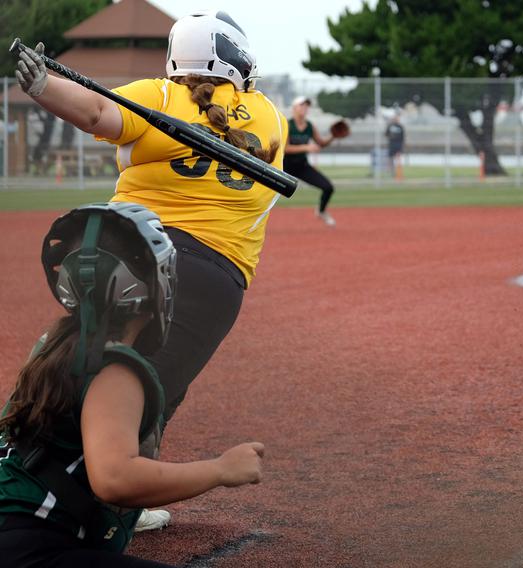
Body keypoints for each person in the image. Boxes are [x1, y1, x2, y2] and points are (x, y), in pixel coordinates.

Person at [13, 9, 285, 528]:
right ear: (238, 58)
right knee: (153, 389)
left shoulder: (160, 96)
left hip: (132, 251)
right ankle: (107, 495)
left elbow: (95, 113)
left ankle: (61, 481)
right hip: (216, 274)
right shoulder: (269, 113)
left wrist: (44, 84)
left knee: (84, 362)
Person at [0, 203, 264, 567]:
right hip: (32, 547)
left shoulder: (55, 345)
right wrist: (221, 469)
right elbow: (115, 478)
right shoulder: (113, 367)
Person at [284, 97, 338, 227]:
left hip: (302, 166)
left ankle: (321, 211)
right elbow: (285, 148)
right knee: (266, 194)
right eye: (301, 105)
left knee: (328, 187)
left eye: (306, 106)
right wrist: (306, 147)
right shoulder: (287, 124)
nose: (304, 108)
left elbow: (321, 143)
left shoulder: (309, 126)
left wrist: (333, 136)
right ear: (294, 108)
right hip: (284, 167)